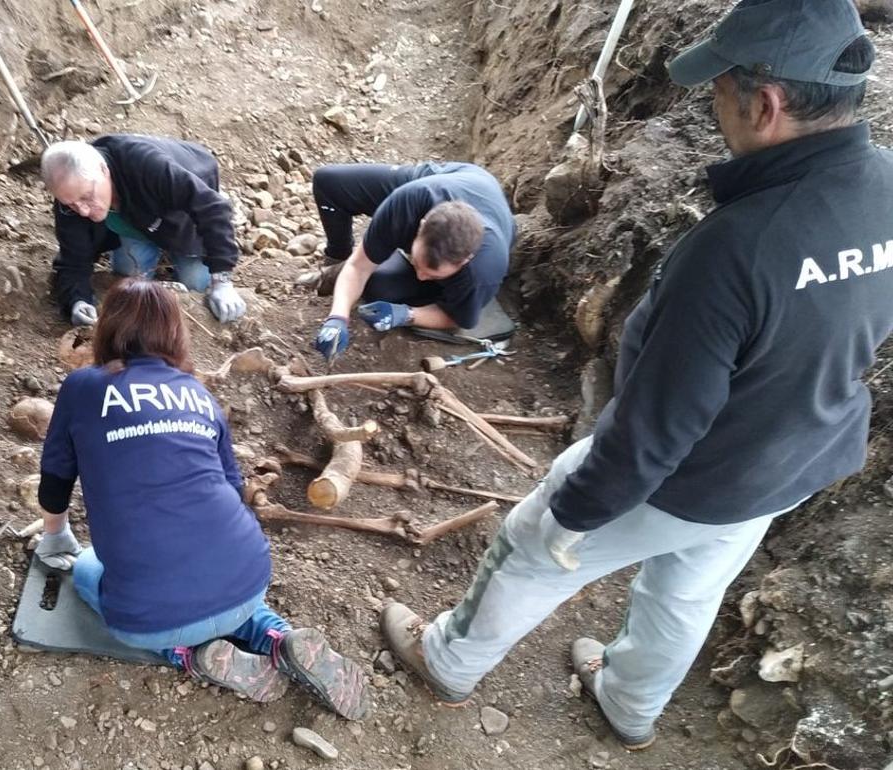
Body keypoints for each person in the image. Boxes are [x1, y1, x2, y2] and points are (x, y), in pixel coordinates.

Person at [379, 0, 893, 751]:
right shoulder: (885, 187)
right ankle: (629, 705)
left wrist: (576, 511)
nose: (712, 98)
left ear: (767, 102)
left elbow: (657, 426)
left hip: (694, 470)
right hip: (792, 459)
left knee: (529, 547)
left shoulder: (734, 252)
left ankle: (448, 662)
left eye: (721, 82)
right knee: (686, 592)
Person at [35, 277, 369, 720]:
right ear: (174, 333)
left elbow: (56, 477)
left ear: (108, 330)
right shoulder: (199, 395)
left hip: (151, 610)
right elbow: (232, 490)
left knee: (87, 569)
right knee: (217, 575)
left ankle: (187, 654)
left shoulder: (82, 386)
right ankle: (276, 636)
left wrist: (56, 538)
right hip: (248, 577)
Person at [309, 161, 515, 363]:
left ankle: (460, 294)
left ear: (465, 261)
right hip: (455, 178)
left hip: (486, 230)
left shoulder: (483, 270)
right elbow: (358, 266)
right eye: (416, 263)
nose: (420, 276)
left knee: (380, 287)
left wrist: (405, 314)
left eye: (433, 276)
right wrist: (338, 317)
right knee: (328, 181)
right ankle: (335, 262)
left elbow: (456, 319)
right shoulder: (405, 204)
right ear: (420, 226)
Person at [41, 135, 247, 327]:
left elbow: (212, 208)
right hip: (135, 221)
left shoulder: (145, 166)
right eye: (72, 204)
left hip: (182, 214)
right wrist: (78, 300)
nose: (83, 211)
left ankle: (176, 252)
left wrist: (222, 280)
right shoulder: (71, 198)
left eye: (87, 197)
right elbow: (72, 259)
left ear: (104, 170)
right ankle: (146, 240)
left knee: (194, 284)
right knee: (129, 279)